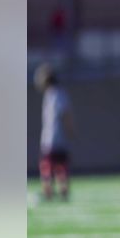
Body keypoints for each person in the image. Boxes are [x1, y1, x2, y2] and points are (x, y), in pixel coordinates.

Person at [34, 63, 74, 201]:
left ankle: (51, 191)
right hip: (55, 137)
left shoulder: (56, 94)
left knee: (50, 165)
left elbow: (65, 114)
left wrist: (69, 129)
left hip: (53, 137)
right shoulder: (52, 94)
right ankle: (60, 190)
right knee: (59, 165)